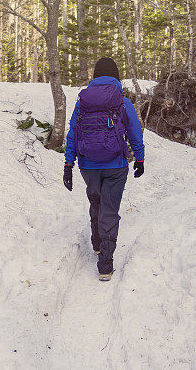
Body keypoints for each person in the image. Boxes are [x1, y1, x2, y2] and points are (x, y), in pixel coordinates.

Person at [63, 57, 145, 282]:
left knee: (96, 201)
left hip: (87, 165)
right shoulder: (122, 102)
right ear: (116, 76)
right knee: (109, 209)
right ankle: (105, 266)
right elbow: (135, 133)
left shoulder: (83, 102)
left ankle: (98, 244)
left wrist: (68, 165)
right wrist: (140, 159)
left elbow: (72, 134)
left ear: (95, 76)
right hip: (116, 166)